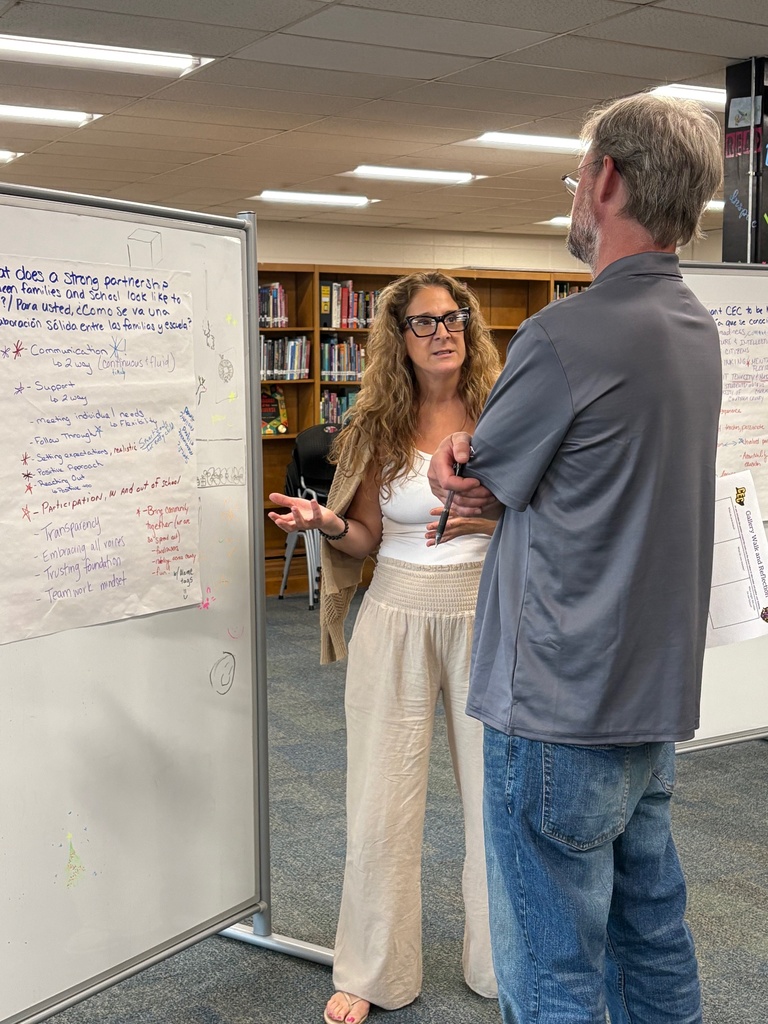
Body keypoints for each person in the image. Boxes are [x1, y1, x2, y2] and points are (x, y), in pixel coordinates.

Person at [428, 93, 723, 1024]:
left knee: (554, 969)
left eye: (575, 177)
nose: (572, 198)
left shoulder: (565, 334)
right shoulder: (696, 329)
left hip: (554, 708)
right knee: (651, 940)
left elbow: (475, 484)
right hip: (649, 704)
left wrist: (457, 465)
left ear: (606, 180)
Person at [268, 271, 502, 1024]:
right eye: (425, 321)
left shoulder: (505, 411)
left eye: (455, 316)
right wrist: (326, 524)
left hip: (489, 613)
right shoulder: (374, 421)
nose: (444, 331)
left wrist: (496, 526)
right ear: (396, 337)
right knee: (381, 801)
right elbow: (367, 535)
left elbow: (546, 513)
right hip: (395, 611)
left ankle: (507, 963)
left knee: (498, 805)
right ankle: (373, 971)